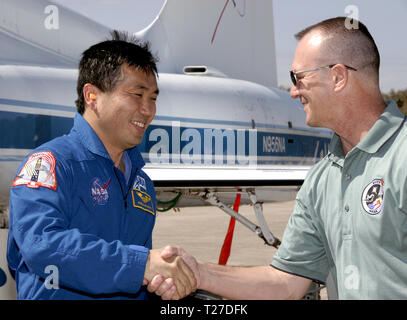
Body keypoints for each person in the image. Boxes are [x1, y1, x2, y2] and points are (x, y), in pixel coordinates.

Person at [148, 17, 407, 300]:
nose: (293, 91)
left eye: (299, 77)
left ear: (338, 77)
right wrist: (198, 272)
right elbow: (286, 283)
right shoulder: (322, 177)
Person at [6, 31, 196, 300]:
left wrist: (159, 282)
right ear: (92, 96)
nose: (148, 109)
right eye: (136, 95)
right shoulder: (51, 164)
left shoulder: (140, 182)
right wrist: (140, 265)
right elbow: (42, 245)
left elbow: (135, 277)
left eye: (153, 98)